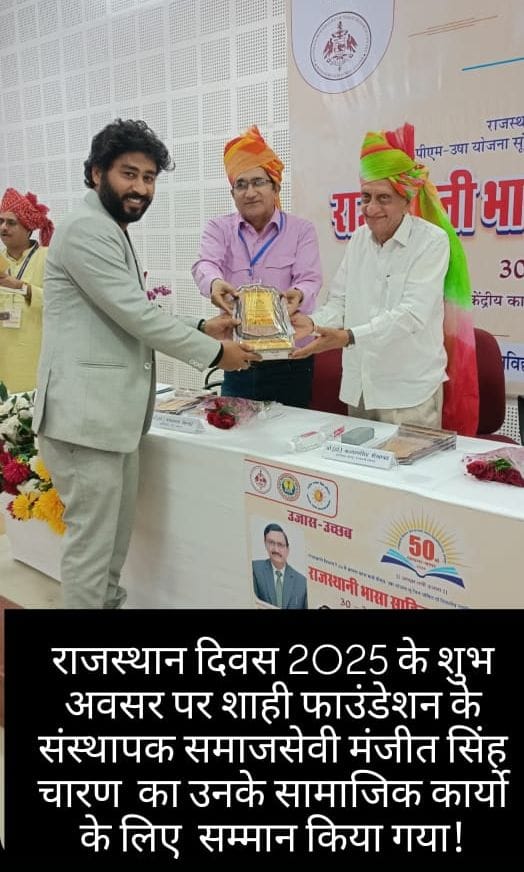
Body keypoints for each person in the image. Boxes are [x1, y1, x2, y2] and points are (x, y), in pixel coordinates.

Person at [33, 118, 260, 609]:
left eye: (149, 177)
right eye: (129, 174)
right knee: (92, 553)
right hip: (84, 423)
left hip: (108, 420)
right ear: (97, 173)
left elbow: (132, 309)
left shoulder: (107, 227)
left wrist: (202, 327)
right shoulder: (87, 229)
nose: (140, 188)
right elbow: (135, 314)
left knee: (110, 550)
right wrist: (217, 353)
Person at [291, 123, 479, 435]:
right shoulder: (358, 239)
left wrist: (349, 336)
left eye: (384, 198)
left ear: (406, 199)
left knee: (409, 467)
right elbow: (340, 302)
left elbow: (411, 315)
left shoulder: (431, 241)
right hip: (362, 387)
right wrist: (312, 323)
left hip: (409, 393)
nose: (371, 208)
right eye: (365, 197)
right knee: (361, 466)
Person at [192, 124, 322, 407]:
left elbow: (310, 278)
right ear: (233, 193)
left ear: (275, 187)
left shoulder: (301, 230)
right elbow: (205, 264)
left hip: (291, 361)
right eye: (241, 185)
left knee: (290, 432)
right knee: (236, 430)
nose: (250, 192)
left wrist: (299, 294)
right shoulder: (218, 228)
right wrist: (214, 283)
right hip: (239, 357)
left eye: (258, 182)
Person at [0, 188, 54, 392]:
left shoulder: (48, 257)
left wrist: (21, 287)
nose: (3, 227)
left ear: (28, 227)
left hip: (35, 357)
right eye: (1, 221)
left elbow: (62, 302)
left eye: (11, 222)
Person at [252, 523, 307, 609]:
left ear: (287, 549)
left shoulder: (302, 583)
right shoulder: (255, 569)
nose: (276, 549)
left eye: (280, 545)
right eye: (271, 543)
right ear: (265, 544)